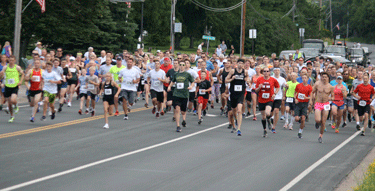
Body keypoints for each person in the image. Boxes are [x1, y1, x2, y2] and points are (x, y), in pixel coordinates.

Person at [168, 61, 195, 132]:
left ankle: (184, 120)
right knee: (177, 109)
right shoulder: (176, 74)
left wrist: (191, 86)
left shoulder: (187, 74)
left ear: (185, 66)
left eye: (183, 65)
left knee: (183, 112)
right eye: (180, 65)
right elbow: (172, 81)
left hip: (184, 94)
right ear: (179, 66)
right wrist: (169, 86)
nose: (182, 66)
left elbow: (192, 81)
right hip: (176, 94)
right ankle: (178, 126)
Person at [225, 59, 250, 136]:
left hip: (241, 93)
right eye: (239, 63)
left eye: (242, 64)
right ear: (237, 64)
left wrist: (248, 81)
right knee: (233, 111)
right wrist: (232, 79)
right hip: (233, 93)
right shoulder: (233, 71)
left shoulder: (245, 72)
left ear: (243, 65)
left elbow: (248, 79)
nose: (240, 65)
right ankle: (236, 120)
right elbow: (226, 80)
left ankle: (239, 129)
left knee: (239, 110)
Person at [255, 67, 280, 137]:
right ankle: (265, 129)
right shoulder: (259, 79)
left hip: (269, 99)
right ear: (263, 73)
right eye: (264, 71)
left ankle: (268, 119)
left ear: (269, 72)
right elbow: (256, 90)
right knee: (263, 117)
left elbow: (278, 86)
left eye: (267, 71)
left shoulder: (273, 80)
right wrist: (259, 88)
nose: (266, 72)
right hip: (261, 100)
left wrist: (275, 94)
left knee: (268, 112)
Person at [0, 55, 24, 122]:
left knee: (13, 100)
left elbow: (22, 74)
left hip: (14, 86)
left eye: (12, 60)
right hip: (7, 86)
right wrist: (1, 81)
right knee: (9, 103)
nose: (11, 62)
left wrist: (20, 82)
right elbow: (2, 75)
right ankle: (12, 116)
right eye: (10, 60)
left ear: (15, 61)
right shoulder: (5, 67)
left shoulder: (17, 67)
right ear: (8, 60)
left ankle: (16, 105)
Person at [312, 72, 335, 143]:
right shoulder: (317, 84)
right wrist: (312, 100)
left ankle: (320, 136)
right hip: (318, 103)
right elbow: (312, 92)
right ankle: (317, 122)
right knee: (318, 119)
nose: (324, 78)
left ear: (328, 78)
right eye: (323, 77)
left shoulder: (331, 87)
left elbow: (333, 97)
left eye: (325, 77)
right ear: (321, 77)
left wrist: (330, 98)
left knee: (323, 122)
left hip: (326, 104)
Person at [294, 74, 313, 138]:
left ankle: (300, 132)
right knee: (296, 119)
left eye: (305, 78)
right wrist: (295, 99)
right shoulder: (298, 85)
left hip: (304, 104)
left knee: (303, 119)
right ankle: (300, 120)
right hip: (298, 103)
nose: (304, 79)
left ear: (307, 79)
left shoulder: (310, 87)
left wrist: (306, 97)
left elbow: (310, 97)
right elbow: (295, 93)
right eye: (303, 78)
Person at [270, 67, 286, 133]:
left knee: (276, 110)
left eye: (278, 70)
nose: (277, 71)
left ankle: (274, 127)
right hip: (271, 96)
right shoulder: (271, 78)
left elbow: (284, 87)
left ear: (279, 71)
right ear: (273, 71)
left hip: (278, 96)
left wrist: (284, 95)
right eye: (275, 70)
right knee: (270, 112)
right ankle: (271, 118)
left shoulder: (282, 79)